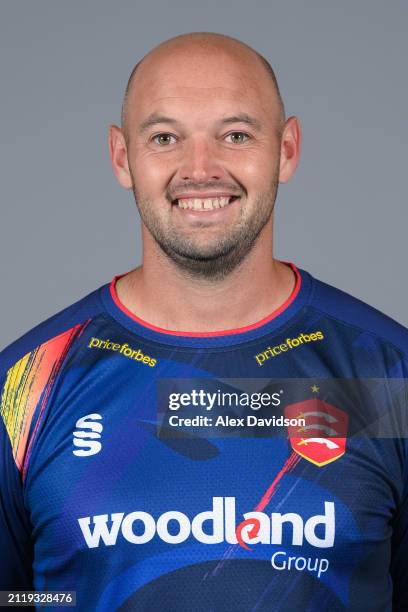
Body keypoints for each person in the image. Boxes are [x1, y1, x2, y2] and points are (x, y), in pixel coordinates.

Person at [1, 31, 407, 612]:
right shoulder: (26, 386)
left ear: (286, 149)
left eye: (235, 135)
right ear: (122, 157)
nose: (200, 169)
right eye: (165, 138)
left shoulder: (391, 376)